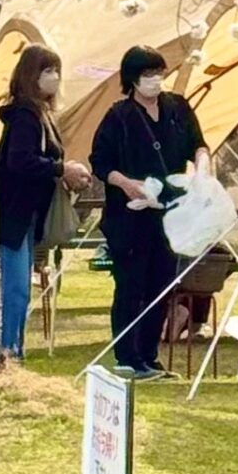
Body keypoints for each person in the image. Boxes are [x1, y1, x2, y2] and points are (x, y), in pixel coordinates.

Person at [89, 45, 209, 380]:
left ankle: (149, 354)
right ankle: (127, 356)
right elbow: (100, 162)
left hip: (169, 210)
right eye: (147, 75)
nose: (155, 81)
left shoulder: (177, 108)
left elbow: (198, 143)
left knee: (162, 282)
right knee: (131, 284)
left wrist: (202, 165)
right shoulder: (119, 116)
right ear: (133, 79)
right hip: (130, 212)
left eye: (159, 73)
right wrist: (126, 183)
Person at [0, 45, 91, 359]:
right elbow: (19, 160)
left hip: (29, 214)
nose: (54, 77)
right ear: (30, 76)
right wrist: (61, 168)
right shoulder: (25, 115)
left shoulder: (42, 115)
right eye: (47, 71)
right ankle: (9, 347)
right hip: (15, 212)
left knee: (21, 284)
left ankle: (14, 345)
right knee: (15, 287)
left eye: (56, 71)